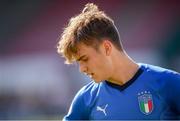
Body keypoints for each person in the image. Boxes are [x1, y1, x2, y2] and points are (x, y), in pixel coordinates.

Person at [57, 3, 180, 120]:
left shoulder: (168, 83)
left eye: (84, 59)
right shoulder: (85, 99)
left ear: (107, 48)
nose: (81, 69)